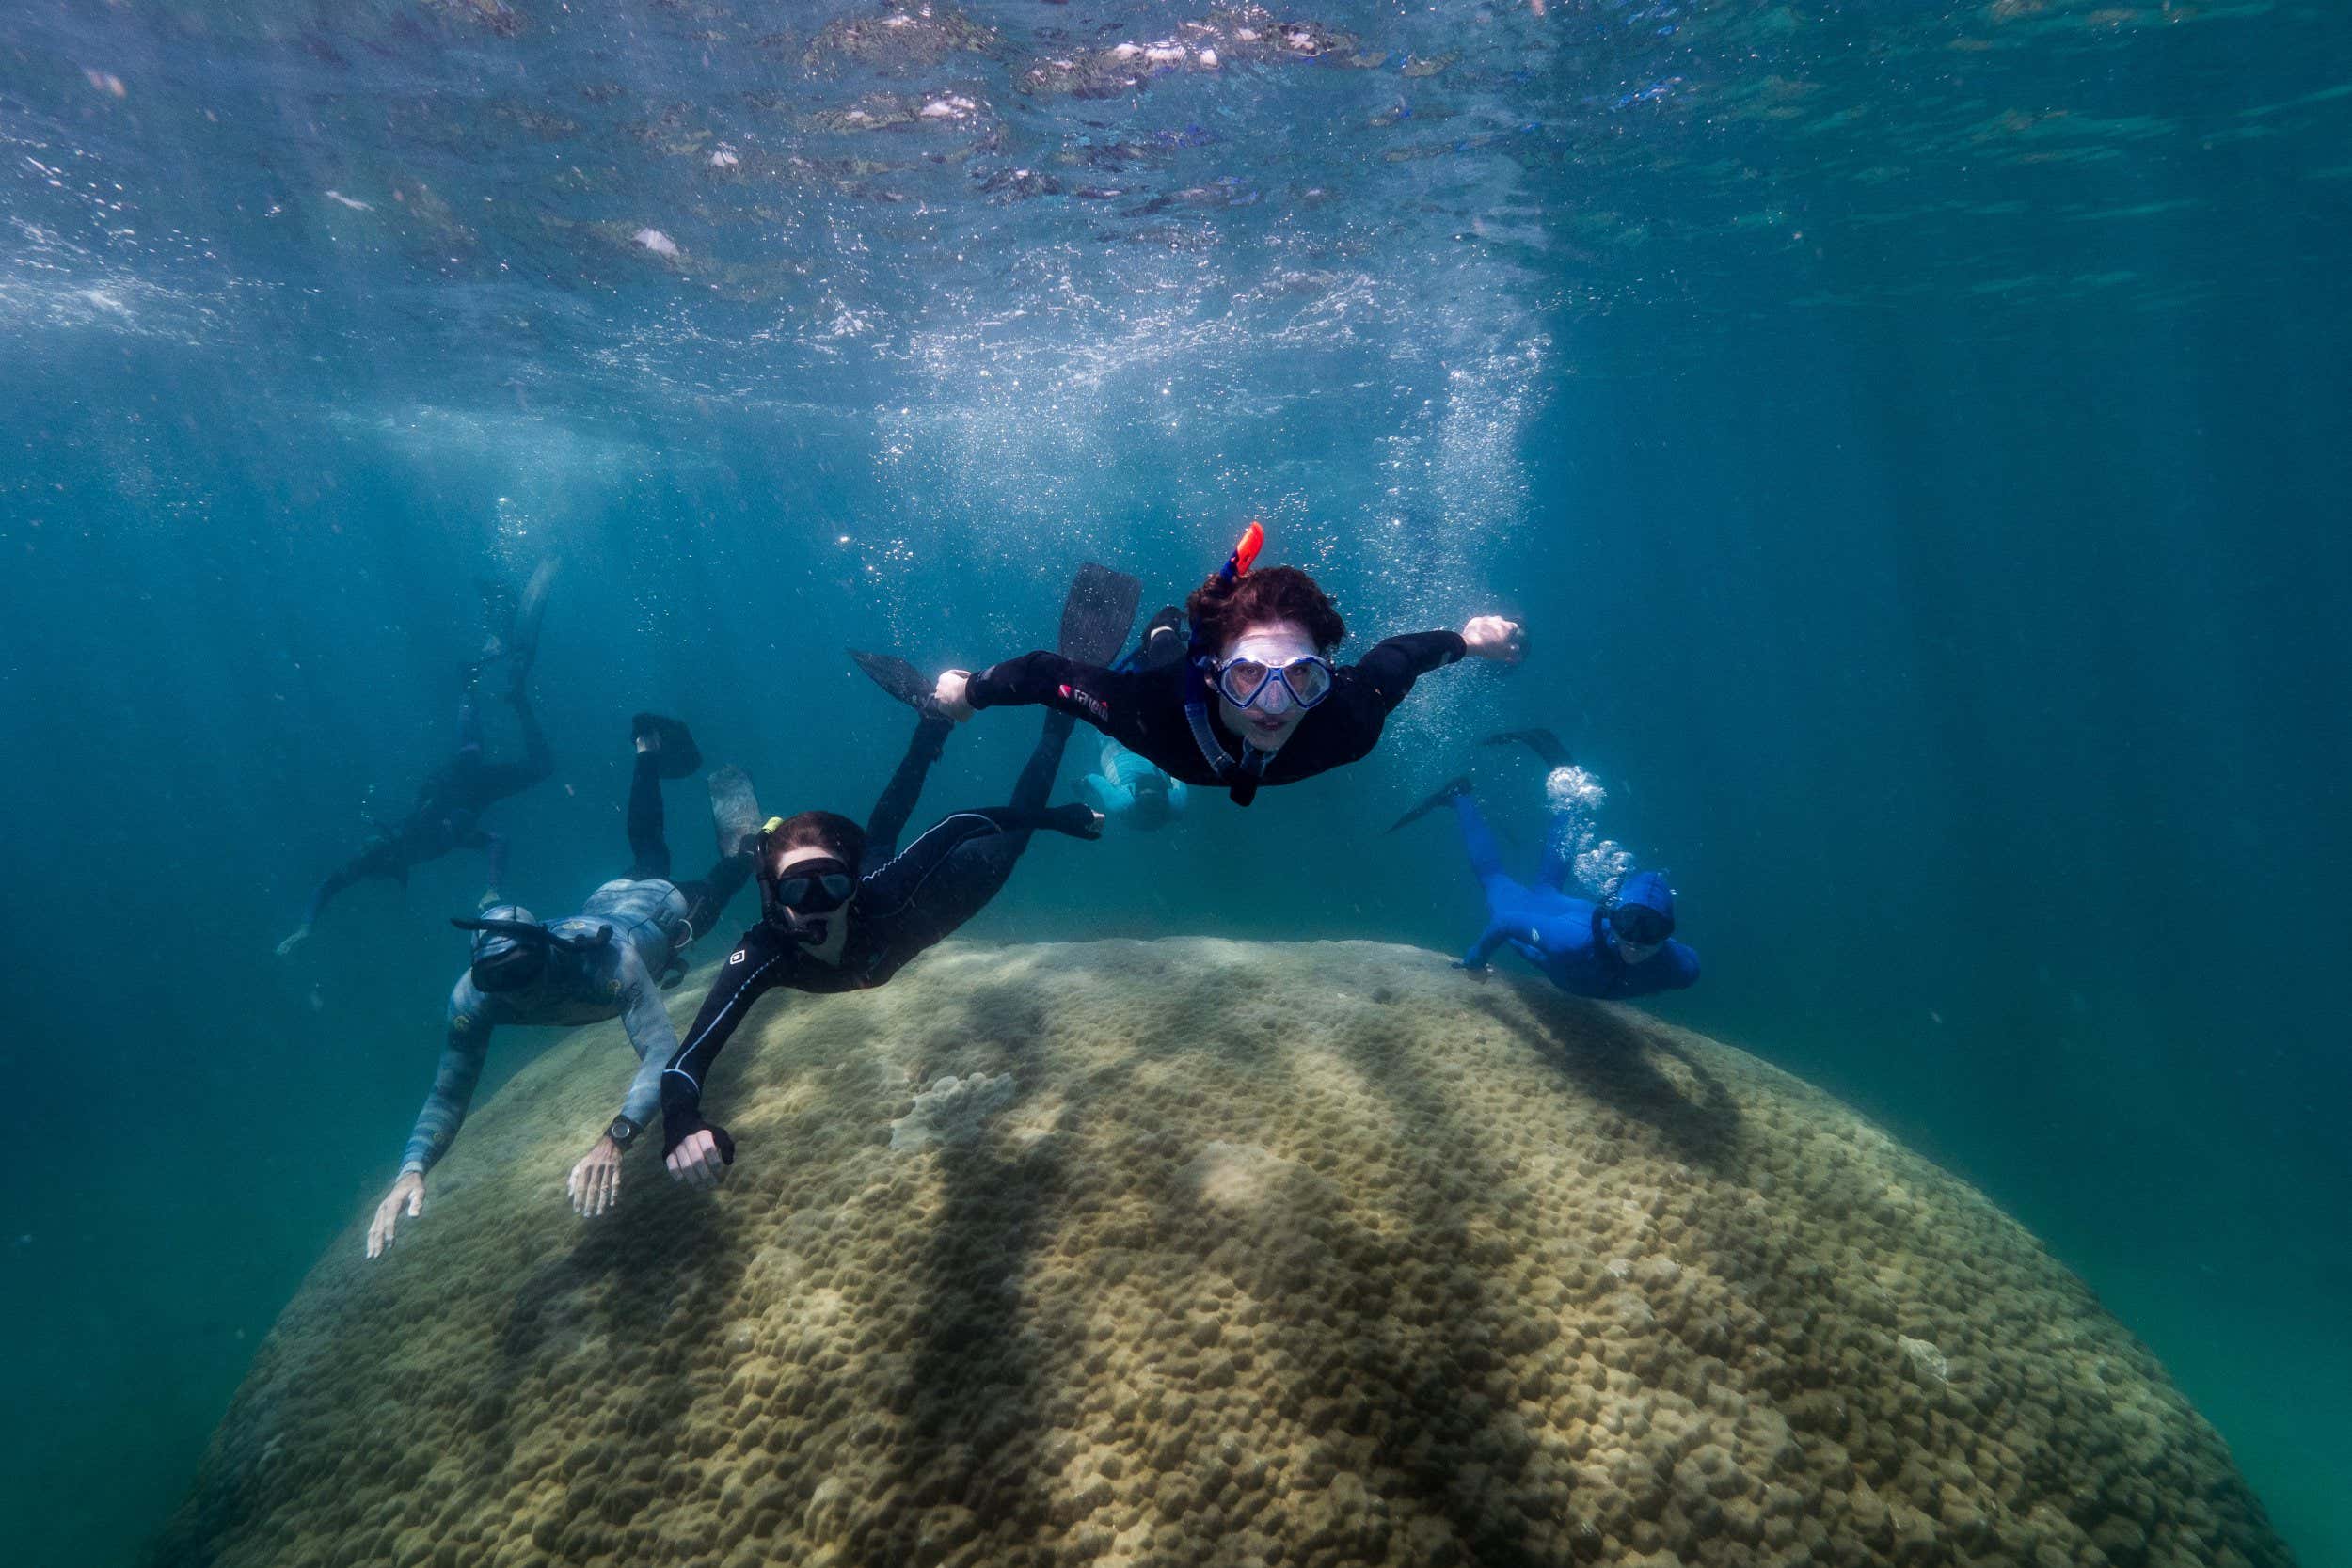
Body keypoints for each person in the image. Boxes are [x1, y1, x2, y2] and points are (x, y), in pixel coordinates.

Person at [657, 567, 1132, 1189]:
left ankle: (1047, 720)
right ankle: (930, 724)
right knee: (878, 839)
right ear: (776, 900)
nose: (818, 905)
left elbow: (961, 826)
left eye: (831, 883)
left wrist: (1053, 819)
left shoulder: (874, 890)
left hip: (938, 895)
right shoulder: (765, 952)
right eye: (799, 891)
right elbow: (686, 1061)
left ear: (849, 884)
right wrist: (681, 1121)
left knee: (957, 845)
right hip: (881, 895)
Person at [362, 714, 761, 1257]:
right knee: (647, 850)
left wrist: (617, 1138)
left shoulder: (608, 964)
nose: (517, 992)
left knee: (722, 870)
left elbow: (661, 1050)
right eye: (498, 978)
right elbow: (448, 1094)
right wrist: (412, 1168)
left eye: (523, 971)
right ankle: (646, 752)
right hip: (609, 901)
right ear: (479, 970)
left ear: (548, 951)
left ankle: (749, 846)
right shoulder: (472, 997)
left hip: (663, 912)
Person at [928, 523, 1526, 805]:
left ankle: (1171, 632)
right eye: (1248, 674)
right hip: (1175, 689)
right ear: (1216, 672)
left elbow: (1400, 659)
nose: (1274, 706)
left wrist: (1469, 640)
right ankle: (1165, 629)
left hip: (1194, 719)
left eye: (1301, 675)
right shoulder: (1149, 712)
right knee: (1163, 655)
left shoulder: (1349, 718)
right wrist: (971, 689)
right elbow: (1042, 673)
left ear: (1325, 674)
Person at [277, 562, 559, 956]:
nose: (370, 845)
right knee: (498, 759)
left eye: (372, 845)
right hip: (467, 783)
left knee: (483, 757)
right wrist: (305, 928)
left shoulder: (411, 843)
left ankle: (483, 683)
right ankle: (494, 689)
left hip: (464, 781)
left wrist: (493, 886)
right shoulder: (410, 846)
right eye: (375, 849)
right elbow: (331, 884)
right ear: (392, 863)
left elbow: (333, 883)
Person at [1390, 729, 1699, 1000]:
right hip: (1544, 912)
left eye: (1651, 930)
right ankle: (1460, 795)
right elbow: (1505, 922)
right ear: (1614, 917)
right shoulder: (1572, 940)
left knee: (1548, 885)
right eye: (1628, 924)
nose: (1634, 941)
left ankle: (1569, 788)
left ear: (1667, 933)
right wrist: (1475, 960)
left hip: (1567, 913)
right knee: (1493, 877)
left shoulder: (1682, 968)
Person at [1076, 737, 1188, 829]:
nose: (1151, 808)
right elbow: (1094, 779)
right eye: (1153, 801)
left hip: (1134, 750)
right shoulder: (1176, 803)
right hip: (1120, 752)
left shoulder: (1120, 802)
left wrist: (1083, 782)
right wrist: (1083, 782)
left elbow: (1094, 779)